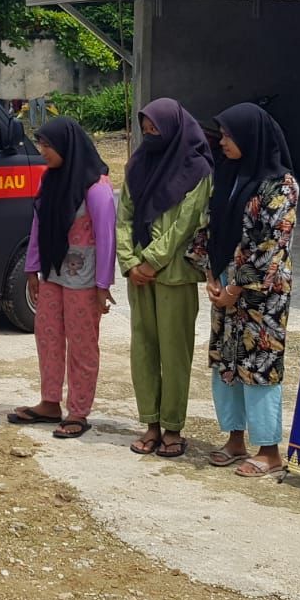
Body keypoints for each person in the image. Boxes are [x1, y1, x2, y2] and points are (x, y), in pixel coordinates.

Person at [189, 103, 299, 479]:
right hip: (224, 287)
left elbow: (273, 244)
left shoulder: (280, 185)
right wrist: (210, 275)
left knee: (260, 367)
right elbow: (208, 227)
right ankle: (235, 439)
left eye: (230, 136)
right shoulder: (228, 174)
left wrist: (237, 285)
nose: (223, 142)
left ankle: (269, 451)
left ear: (252, 138)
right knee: (227, 362)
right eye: (222, 135)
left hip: (261, 296)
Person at [116, 98, 214, 458]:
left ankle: (173, 427)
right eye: (145, 129)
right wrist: (128, 261)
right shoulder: (137, 166)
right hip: (138, 275)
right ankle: (150, 423)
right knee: (142, 348)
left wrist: (151, 260)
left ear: (174, 129)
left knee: (175, 352)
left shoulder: (197, 169)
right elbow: (124, 214)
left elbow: (185, 223)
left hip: (174, 275)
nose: (149, 135)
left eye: (155, 128)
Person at [9, 118, 117, 439]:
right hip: (53, 275)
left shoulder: (97, 189)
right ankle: (50, 402)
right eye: (41, 144)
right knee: (48, 337)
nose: (42, 151)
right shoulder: (51, 181)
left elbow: (106, 238)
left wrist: (102, 286)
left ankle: (79, 411)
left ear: (67, 147)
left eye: (48, 145)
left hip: (83, 280)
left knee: (82, 344)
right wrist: (32, 269)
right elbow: (38, 226)